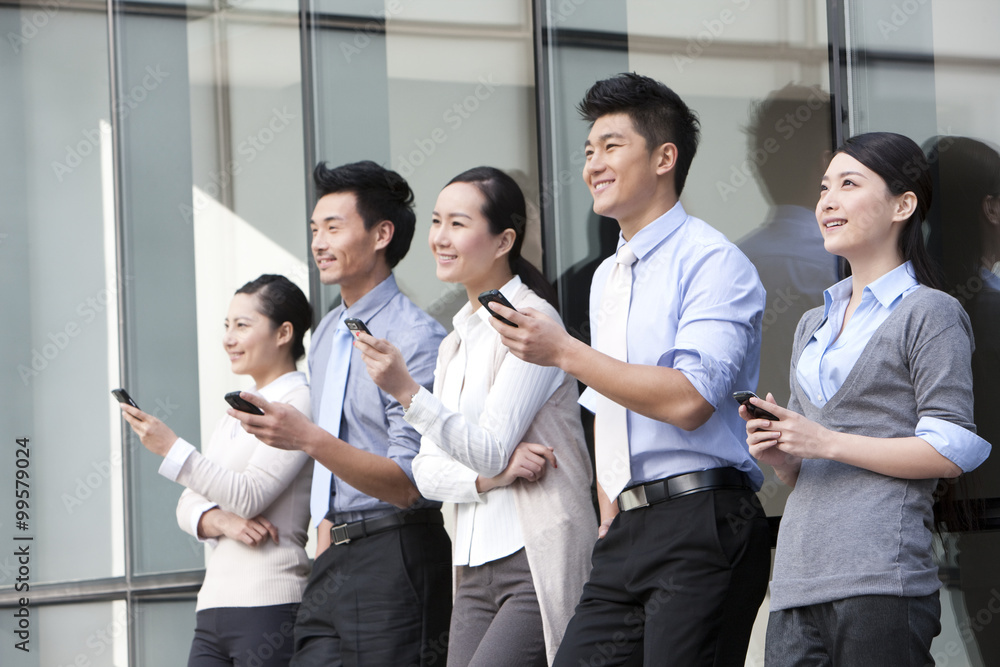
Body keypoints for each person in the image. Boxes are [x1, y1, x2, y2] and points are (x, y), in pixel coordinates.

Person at [489, 72, 772, 666]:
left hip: (703, 520)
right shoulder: (608, 276)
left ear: (665, 157)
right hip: (626, 528)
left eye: (612, 146)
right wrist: (608, 511)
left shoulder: (715, 262)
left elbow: (690, 400)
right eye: (589, 150)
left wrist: (564, 350)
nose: (593, 163)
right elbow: (608, 403)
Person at [740, 132, 992, 665]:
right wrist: (784, 453)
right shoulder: (813, 321)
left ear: (903, 205)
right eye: (824, 187)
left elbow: (950, 450)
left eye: (848, 184)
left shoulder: (932, 312)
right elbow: (815, 460)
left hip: (882, 575)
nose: (827, 201)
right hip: (796, 579)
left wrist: (825, 441)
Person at [354, 166, 596, 666]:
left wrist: (406, 392)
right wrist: (492, 479)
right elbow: (425, 471)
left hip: (535, 557)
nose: (440, 238)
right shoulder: (454, 342)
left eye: (458, 224)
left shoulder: (532, 323)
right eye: (437, 222)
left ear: (504, 239)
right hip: (470, 562)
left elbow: (486, 447)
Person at [227, 160, 451, 666]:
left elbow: (409, 484)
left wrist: (306, 438)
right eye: (314, 229)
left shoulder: (416, 338)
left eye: (333, 227)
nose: (319, 242)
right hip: (333, 555)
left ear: (381, 234)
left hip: (395, 553)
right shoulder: (328, 331)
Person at [119, 274, 314, 667]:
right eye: (227, 326)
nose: (228, 338)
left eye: (242, 325)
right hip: (211, 609)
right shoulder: (237, 410)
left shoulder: (299, 400)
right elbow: (188, 504)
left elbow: (249, 494)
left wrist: (171, 448)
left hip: (269, 605)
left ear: (284, 333)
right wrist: (222, 521)